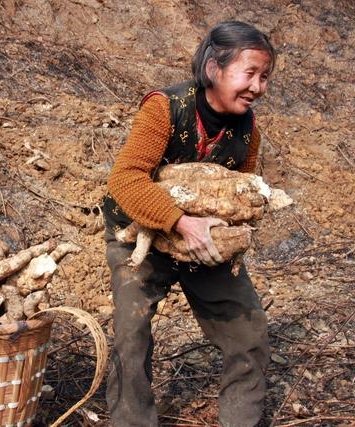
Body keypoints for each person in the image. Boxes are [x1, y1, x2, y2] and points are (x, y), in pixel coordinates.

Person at [101, 20, 276, 427]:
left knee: (249, 333)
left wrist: (236, 232)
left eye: (265, 77)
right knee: (131, 331)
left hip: (202, 241)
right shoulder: (165, 107)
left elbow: (240, 193)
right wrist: (180, 222)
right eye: (249, 73)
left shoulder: (247, 130)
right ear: (214, 68)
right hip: (139, 233)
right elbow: (125, 179)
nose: (258, 86)